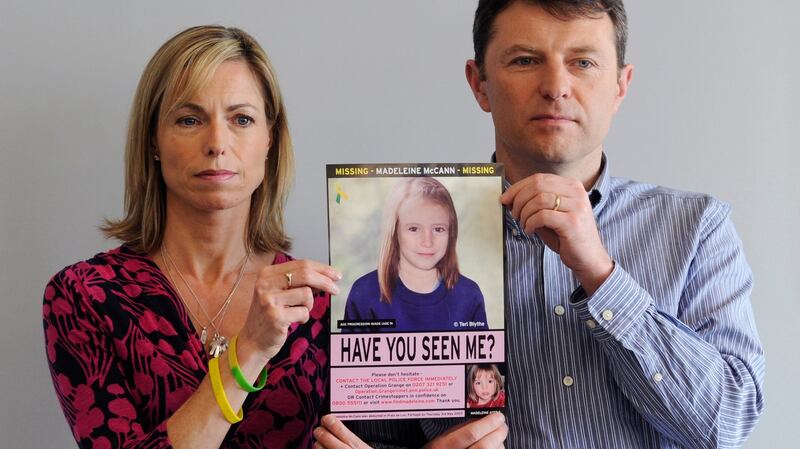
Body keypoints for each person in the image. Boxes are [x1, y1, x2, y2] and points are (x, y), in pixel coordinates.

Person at [314, 1, 765, 448]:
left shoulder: (698, 228)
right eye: (526, 61)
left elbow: (726, 423)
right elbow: (364, 436)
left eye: (583, 62)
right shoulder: (412, 262)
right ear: (480, 84)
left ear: (620, 86)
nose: (555, 87)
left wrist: (602, 277)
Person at [42, 26, 341, 449]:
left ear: (270, 138)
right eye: (189, 119)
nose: (218, 142)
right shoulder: (83, 297)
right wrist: (249, 349)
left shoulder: (323, 305)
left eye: (241, 119)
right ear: (153, 139)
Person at [342, 177, 488, 333]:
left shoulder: (469, 294)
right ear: (394, 232)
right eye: (413, 229)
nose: (427, 242)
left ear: (451, 233)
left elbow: (488, 356)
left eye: (438, 229)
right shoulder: (364, 292)